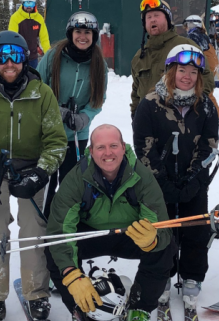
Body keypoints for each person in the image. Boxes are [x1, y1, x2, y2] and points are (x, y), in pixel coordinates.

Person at [0, 31, 67, 321]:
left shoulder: (41, 94)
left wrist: (41, 172)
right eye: (2, 56)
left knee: (33, 231)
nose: (10, 63)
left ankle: (37, 292)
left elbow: (56, 142)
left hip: (30, 170)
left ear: (25, 59)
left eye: (16, 56)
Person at [45, 124, 177, 321]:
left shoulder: (143, 178)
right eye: (100, 147)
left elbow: (161, 227)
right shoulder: (75, 179)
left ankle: (140, 308)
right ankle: (80, 307)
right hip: (91, 234)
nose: (108, 153)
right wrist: (71, 273)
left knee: (165, 248)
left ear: (124, 147)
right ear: (91, 151)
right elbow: (59, 231)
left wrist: (153, 240)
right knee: (54, 250)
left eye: (114, 146)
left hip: (130, 234)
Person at [132, 44, 218, 320]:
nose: (187, 76)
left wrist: (195, 179)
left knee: (196, 228)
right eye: (182, 70)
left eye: (193, 71)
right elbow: (143, 148)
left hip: (194, 182)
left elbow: (209, 146)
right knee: (162, 231)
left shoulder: (204, 105)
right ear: (170, 71)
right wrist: (162, 182)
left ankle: (192, 276)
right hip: (159, 185)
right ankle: (163, 276)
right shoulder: (149, 105)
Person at [36, 11, 108, 217]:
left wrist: (85, 117)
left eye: (87, 32)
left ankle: (65, 223)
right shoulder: (54, 55)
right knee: (47, 184)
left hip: (76, 136)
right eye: (78, 31)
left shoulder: (98, 63)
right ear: (70, 33)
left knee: (69, 184)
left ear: (94, 35)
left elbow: (98, 99)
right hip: (48, 133)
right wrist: (57, 110)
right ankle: (44, 222)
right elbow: (36, 87)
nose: (82, 36)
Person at [129, 0, 213, 116]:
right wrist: (136, 116)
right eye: (148, 17)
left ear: (168, 19)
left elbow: (206, 79)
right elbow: (136, 93)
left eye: (157, 15)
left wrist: (187, 109)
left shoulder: (186, 46)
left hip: (183, 123)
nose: (152, 20)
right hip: (150, 124)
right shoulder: (139, 57)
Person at [184, 14, 219, 126]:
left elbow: (194, 51)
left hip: (206, 64)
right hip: (211, 62)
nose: (187, 28)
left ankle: (217, 117)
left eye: (188, 25)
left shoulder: (194, 35)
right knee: (204, 90)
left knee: (205, 90)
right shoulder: (201, 34)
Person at [8, 0, 51, 68]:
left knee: (33, 78)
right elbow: (12, 38)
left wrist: (48, 54)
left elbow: (44, 38)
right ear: (22, 4)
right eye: (26, 3)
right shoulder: (15, 18)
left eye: (31, 4)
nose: (28, 7)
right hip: (19, 57)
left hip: (33, 57)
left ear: (34, 5)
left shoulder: (39, 18)